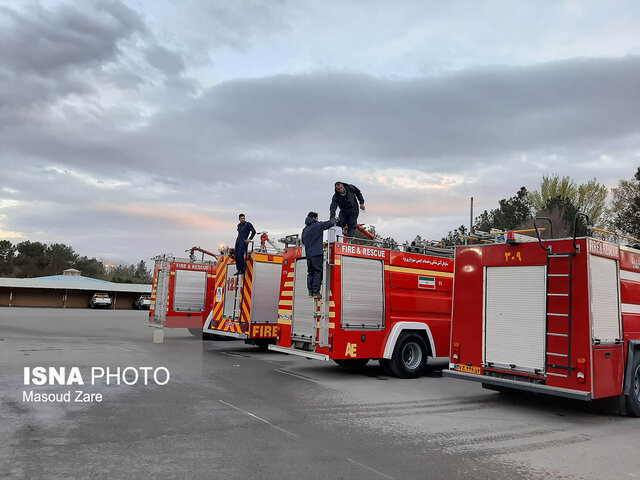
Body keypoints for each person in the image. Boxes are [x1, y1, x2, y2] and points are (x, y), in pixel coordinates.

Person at [302, 211, 336, 299]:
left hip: (308, 255)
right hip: (316, 253)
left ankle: (310, 291)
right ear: (314, 218)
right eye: (317, 218)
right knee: (317, 272)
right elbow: (331, 223)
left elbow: (303, 241)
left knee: (310, 273)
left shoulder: (305, 229)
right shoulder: (317, 225)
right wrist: (334, 218)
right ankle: (316, 292)